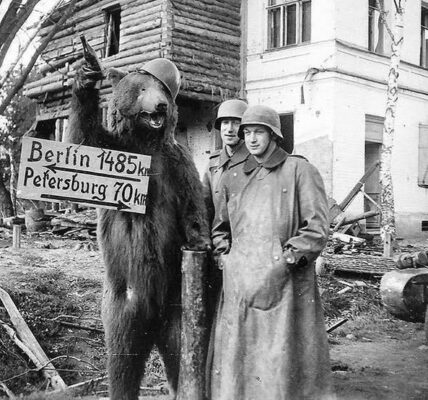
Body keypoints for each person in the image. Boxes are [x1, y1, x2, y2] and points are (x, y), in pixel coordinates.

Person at [210, 104, 334, 400]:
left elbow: (316, 229)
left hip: (286, 285)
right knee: (241, 360)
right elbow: (220, 228)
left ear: (274, 135)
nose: (252, 139)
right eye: (247, 132)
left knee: (280, 360)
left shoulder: (300, 170)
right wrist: (225, 257)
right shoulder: (233, 177)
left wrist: (285, 261)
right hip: (240, 283)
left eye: (259, 132)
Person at [202, 99, 249, 229]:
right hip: (217, 240)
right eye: (225, 123)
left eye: (236, 123)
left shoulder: (255, 162)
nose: (229, 129)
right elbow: (205, 208)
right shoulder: (213, 163)